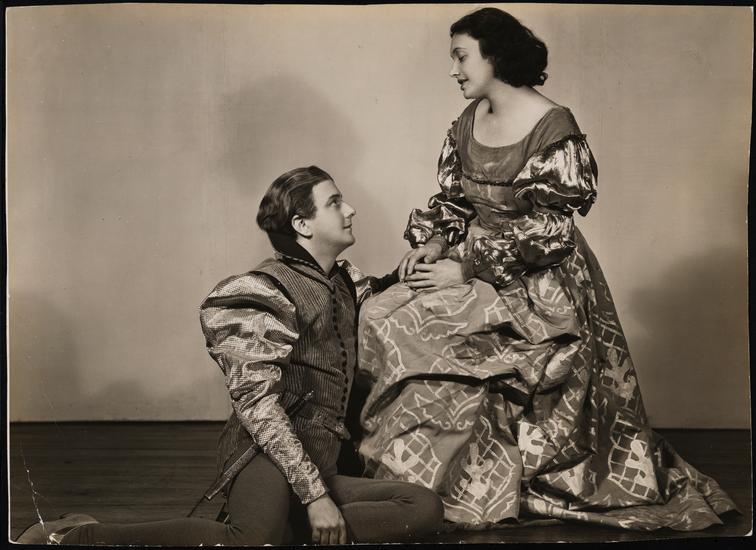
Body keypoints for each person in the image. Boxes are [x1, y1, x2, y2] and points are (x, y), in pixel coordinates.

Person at [356, 8, 737, 531]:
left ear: (494, 56)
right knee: (382, 313)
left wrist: (465, 268)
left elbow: (549, 231)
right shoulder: (467, 121)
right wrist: (437, 243)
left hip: (537, 276)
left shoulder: (554, 128)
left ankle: (486, 477)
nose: (453, 70)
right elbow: (454, 200)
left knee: (426, 330)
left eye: (461, 57)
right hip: (475, 261)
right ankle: (427, 478)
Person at [17, 166, 444, 545]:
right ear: (302, 224)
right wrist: (316, 497)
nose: (350, 210)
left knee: (424, 508)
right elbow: (257, 406)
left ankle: (286, 529)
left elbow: (372, 299)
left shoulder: (341, 282)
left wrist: (424, 259)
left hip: (323, 458)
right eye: (334, 202)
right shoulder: (264, 289)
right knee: (252, 539)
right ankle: (76, 535)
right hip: (267, 453)